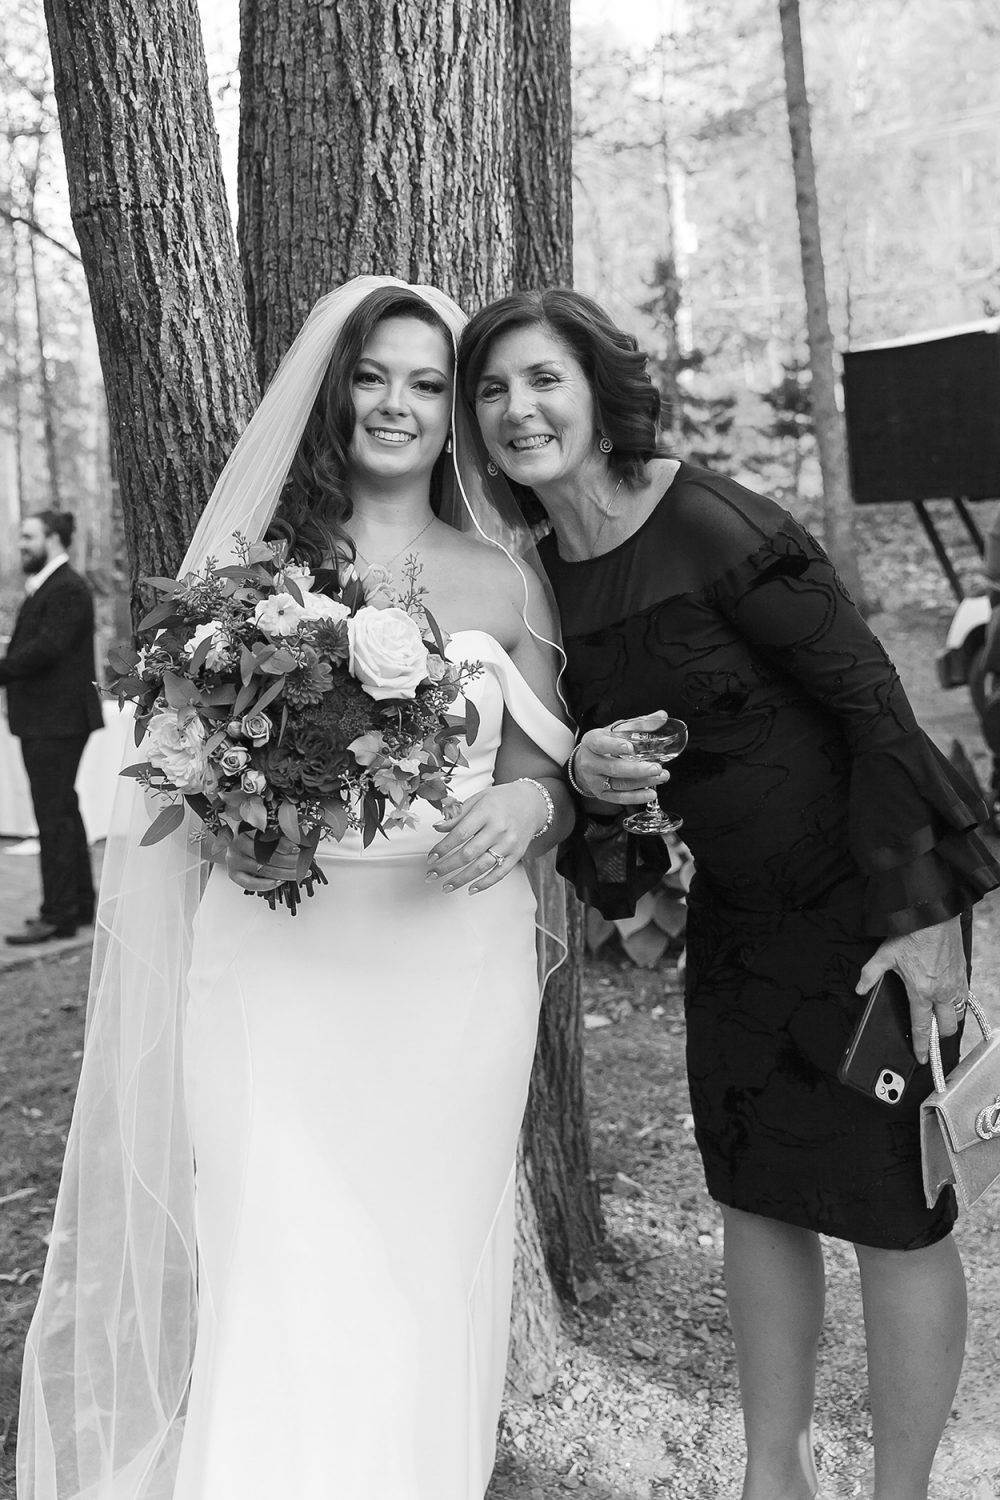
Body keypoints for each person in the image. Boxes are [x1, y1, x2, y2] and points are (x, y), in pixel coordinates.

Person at [18, 279, 575, 1500]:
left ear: (455, 411)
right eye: (372, 377)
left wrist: (528, 808)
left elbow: (551, 775)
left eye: (426, 383)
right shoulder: (250, 573)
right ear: (336, 394)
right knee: (274, 1253)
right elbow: (179, 761)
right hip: (273, 969)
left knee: (420, 1268)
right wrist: (230, 829)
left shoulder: (507, 577)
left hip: (451, 977)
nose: (396, 404)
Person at [457, 287, 1000, 1500]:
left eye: (543, 379)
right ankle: (772, 1476)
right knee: (755, 1198)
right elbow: (591, 774)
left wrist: (924, 916)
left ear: (599, 394)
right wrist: (594, 778)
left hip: (863, 914)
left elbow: (872, 704)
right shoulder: (538, 582)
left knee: (897, 1211)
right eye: (491, 389)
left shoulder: (706, 519)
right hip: (739, 932)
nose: (518, 409)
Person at [0, 510, 102, 945]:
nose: (21, 544)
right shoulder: (51, 585)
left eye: (28, 536)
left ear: (53, 538)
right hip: (49, 719)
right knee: (63, 809)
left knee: (53, 814)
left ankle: (58, 914)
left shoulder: (67, 588)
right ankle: (78, 903)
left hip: (56, 720)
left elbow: (46, 649)